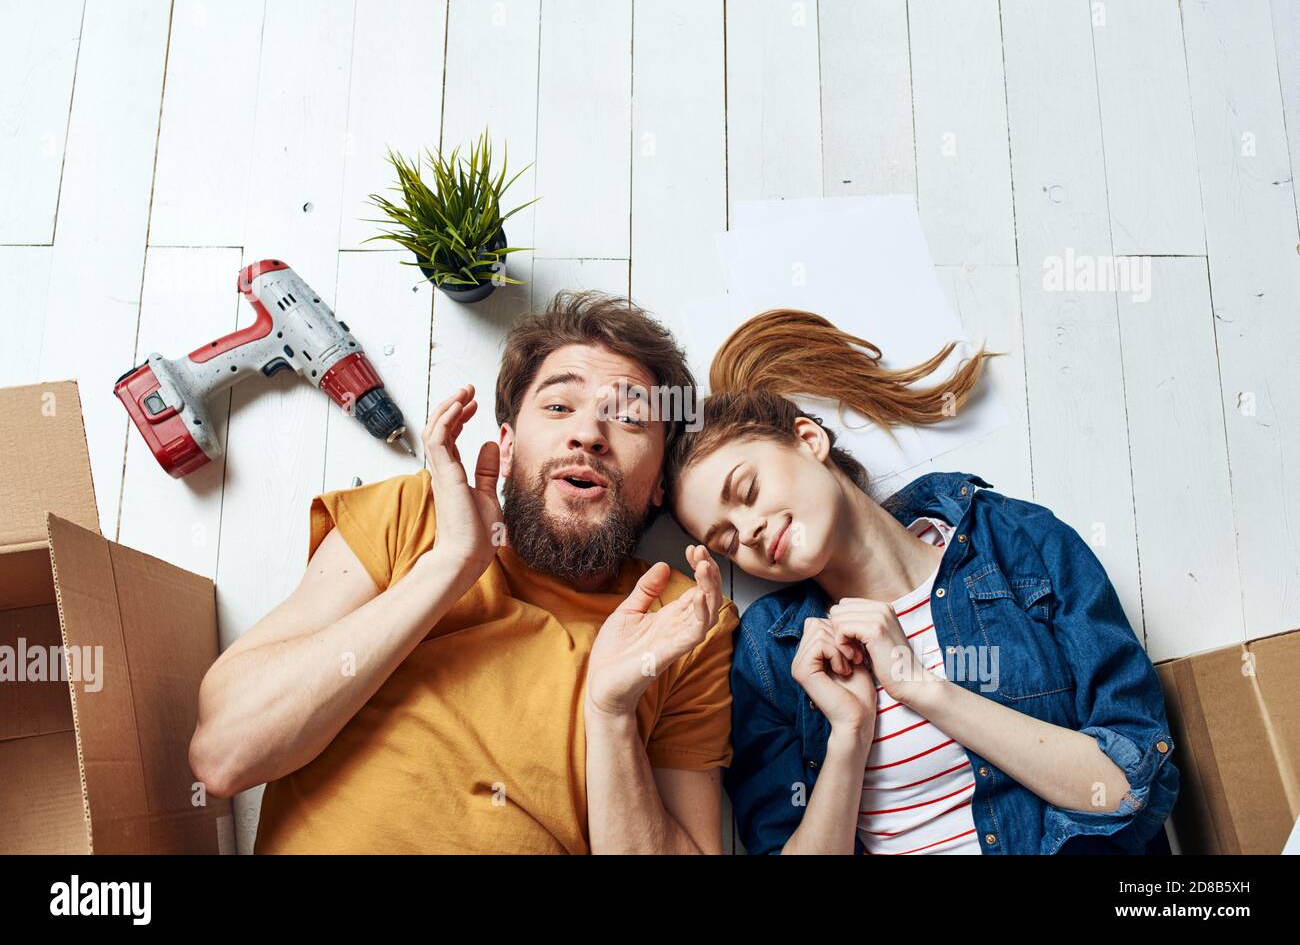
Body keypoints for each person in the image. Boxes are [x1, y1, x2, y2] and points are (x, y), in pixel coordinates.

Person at [188, 291, 737, 854]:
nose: (589, 434)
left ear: (659, 487)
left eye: (629, 418)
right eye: (557, 407)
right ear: (507, 442)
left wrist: (613, 712)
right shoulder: (414, 513)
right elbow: (224, 755)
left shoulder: (682, 618)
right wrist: (450, 566)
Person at [665, 309, 1178, 855]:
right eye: (726, 542)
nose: (749, 532)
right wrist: (849, 736)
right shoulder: (774, 655)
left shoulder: (1015, 543)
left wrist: (919, 685)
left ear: (808, 439)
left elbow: (1128, 789)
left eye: (746, 491)